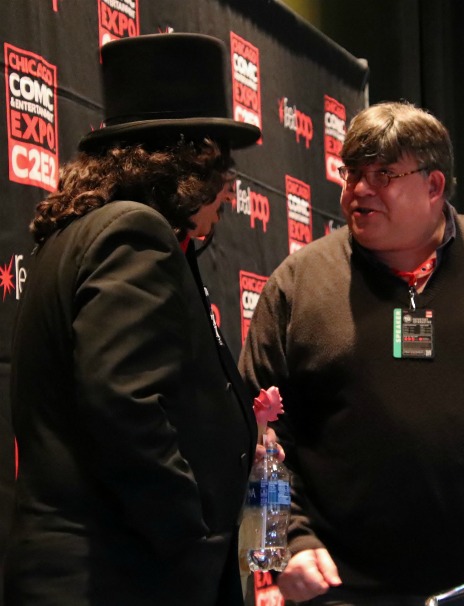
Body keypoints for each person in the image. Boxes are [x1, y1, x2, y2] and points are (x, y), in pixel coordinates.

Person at [239, 101, 464, 606]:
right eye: (352, 173)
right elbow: (258, 432)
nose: (359, 190)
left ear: (434, 186)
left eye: (383, 175)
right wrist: (288, 541)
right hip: (351, 590)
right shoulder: (299, 284)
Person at [4, 33, 262, 606]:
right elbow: (121, 402)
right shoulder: (133, 232)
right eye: (223, 167)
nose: (229, 192)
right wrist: (189, 531)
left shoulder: (84, 234)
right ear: (192, 162)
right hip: (121, 576)